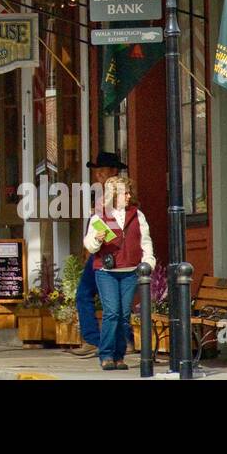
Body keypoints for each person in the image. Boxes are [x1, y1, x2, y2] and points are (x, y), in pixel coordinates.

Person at [84, 176, 155, 371]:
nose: (129, 195)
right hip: (106, 272)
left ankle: (119, 356)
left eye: (128, 192)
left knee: (124, 315)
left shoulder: (137, 215)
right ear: (114, 196)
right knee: (112, 313)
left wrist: (148, 261)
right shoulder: (100, 216)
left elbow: (145, 241)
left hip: (130, 271)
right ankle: (106, 355)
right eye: (125, 192)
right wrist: (97, 239)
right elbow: (90, 246)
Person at [68, 151, 125, 358]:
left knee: (116, 299)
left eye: (102, 171)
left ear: (113, 171)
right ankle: (96, 339)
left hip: (115, 252)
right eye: (97, 171)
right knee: (86, 294)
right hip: (99, 250)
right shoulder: (103, 194)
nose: (98, 175)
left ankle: (117, 339)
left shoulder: (121, 192)